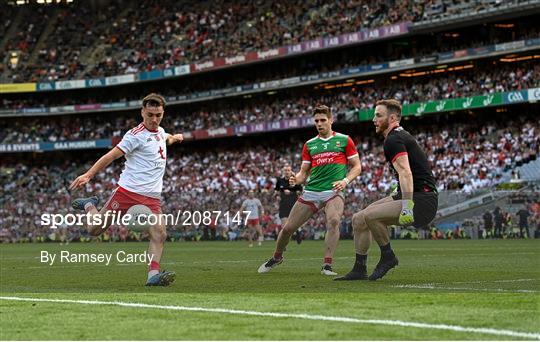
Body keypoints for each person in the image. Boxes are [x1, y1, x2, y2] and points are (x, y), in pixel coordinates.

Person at [69, 93, 184, 286]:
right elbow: (111, 156)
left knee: (160, 233)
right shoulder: (134, 136)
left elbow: (166, 138)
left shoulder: (161, 131)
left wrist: (175, 137)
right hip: (127, 193)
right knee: (94, 229)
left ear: (163, 113)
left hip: (152, 197)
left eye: (158, 115)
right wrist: (88, 175)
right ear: (142, 112)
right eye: (150, 115)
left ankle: (153, 275)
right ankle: (89, 205)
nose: (154, 119)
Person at [335, 99, 438, 281]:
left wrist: (407, 205)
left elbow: (406, 172)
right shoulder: (397, 136)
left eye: (378, 115)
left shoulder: (394, 139)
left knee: (371, 216)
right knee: (359, 219)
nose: (374, 119)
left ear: (392, 118)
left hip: (422, 200)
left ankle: (388, 256)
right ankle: (359, 269)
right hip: (415, 194)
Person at [258, 105, 361, 275]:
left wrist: (345, 180)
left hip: (333, 190)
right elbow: (303, 174)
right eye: (316, 121)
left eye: (323, 120)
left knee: (334, 221)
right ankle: (277, 257)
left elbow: (357, 167)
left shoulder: (344, 140)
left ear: (331, 120)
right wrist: (295, 179)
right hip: (312, 191)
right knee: (288, 229)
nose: (319, 124)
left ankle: (327, 265)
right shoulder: (310, 145)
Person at [275, 164, 303, 243]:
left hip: (293, 205)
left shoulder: (295, 180)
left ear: (291, 171)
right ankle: (283, 245)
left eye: (288, 170)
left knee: (294, 224)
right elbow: (276, 192)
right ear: (283, 172)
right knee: (284, 227)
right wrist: (278, 194)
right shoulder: (280, 181)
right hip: (283, 205)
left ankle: (298, 232)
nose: (287, 172)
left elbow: (300, 191)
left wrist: (291, 192)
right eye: (285, 170)